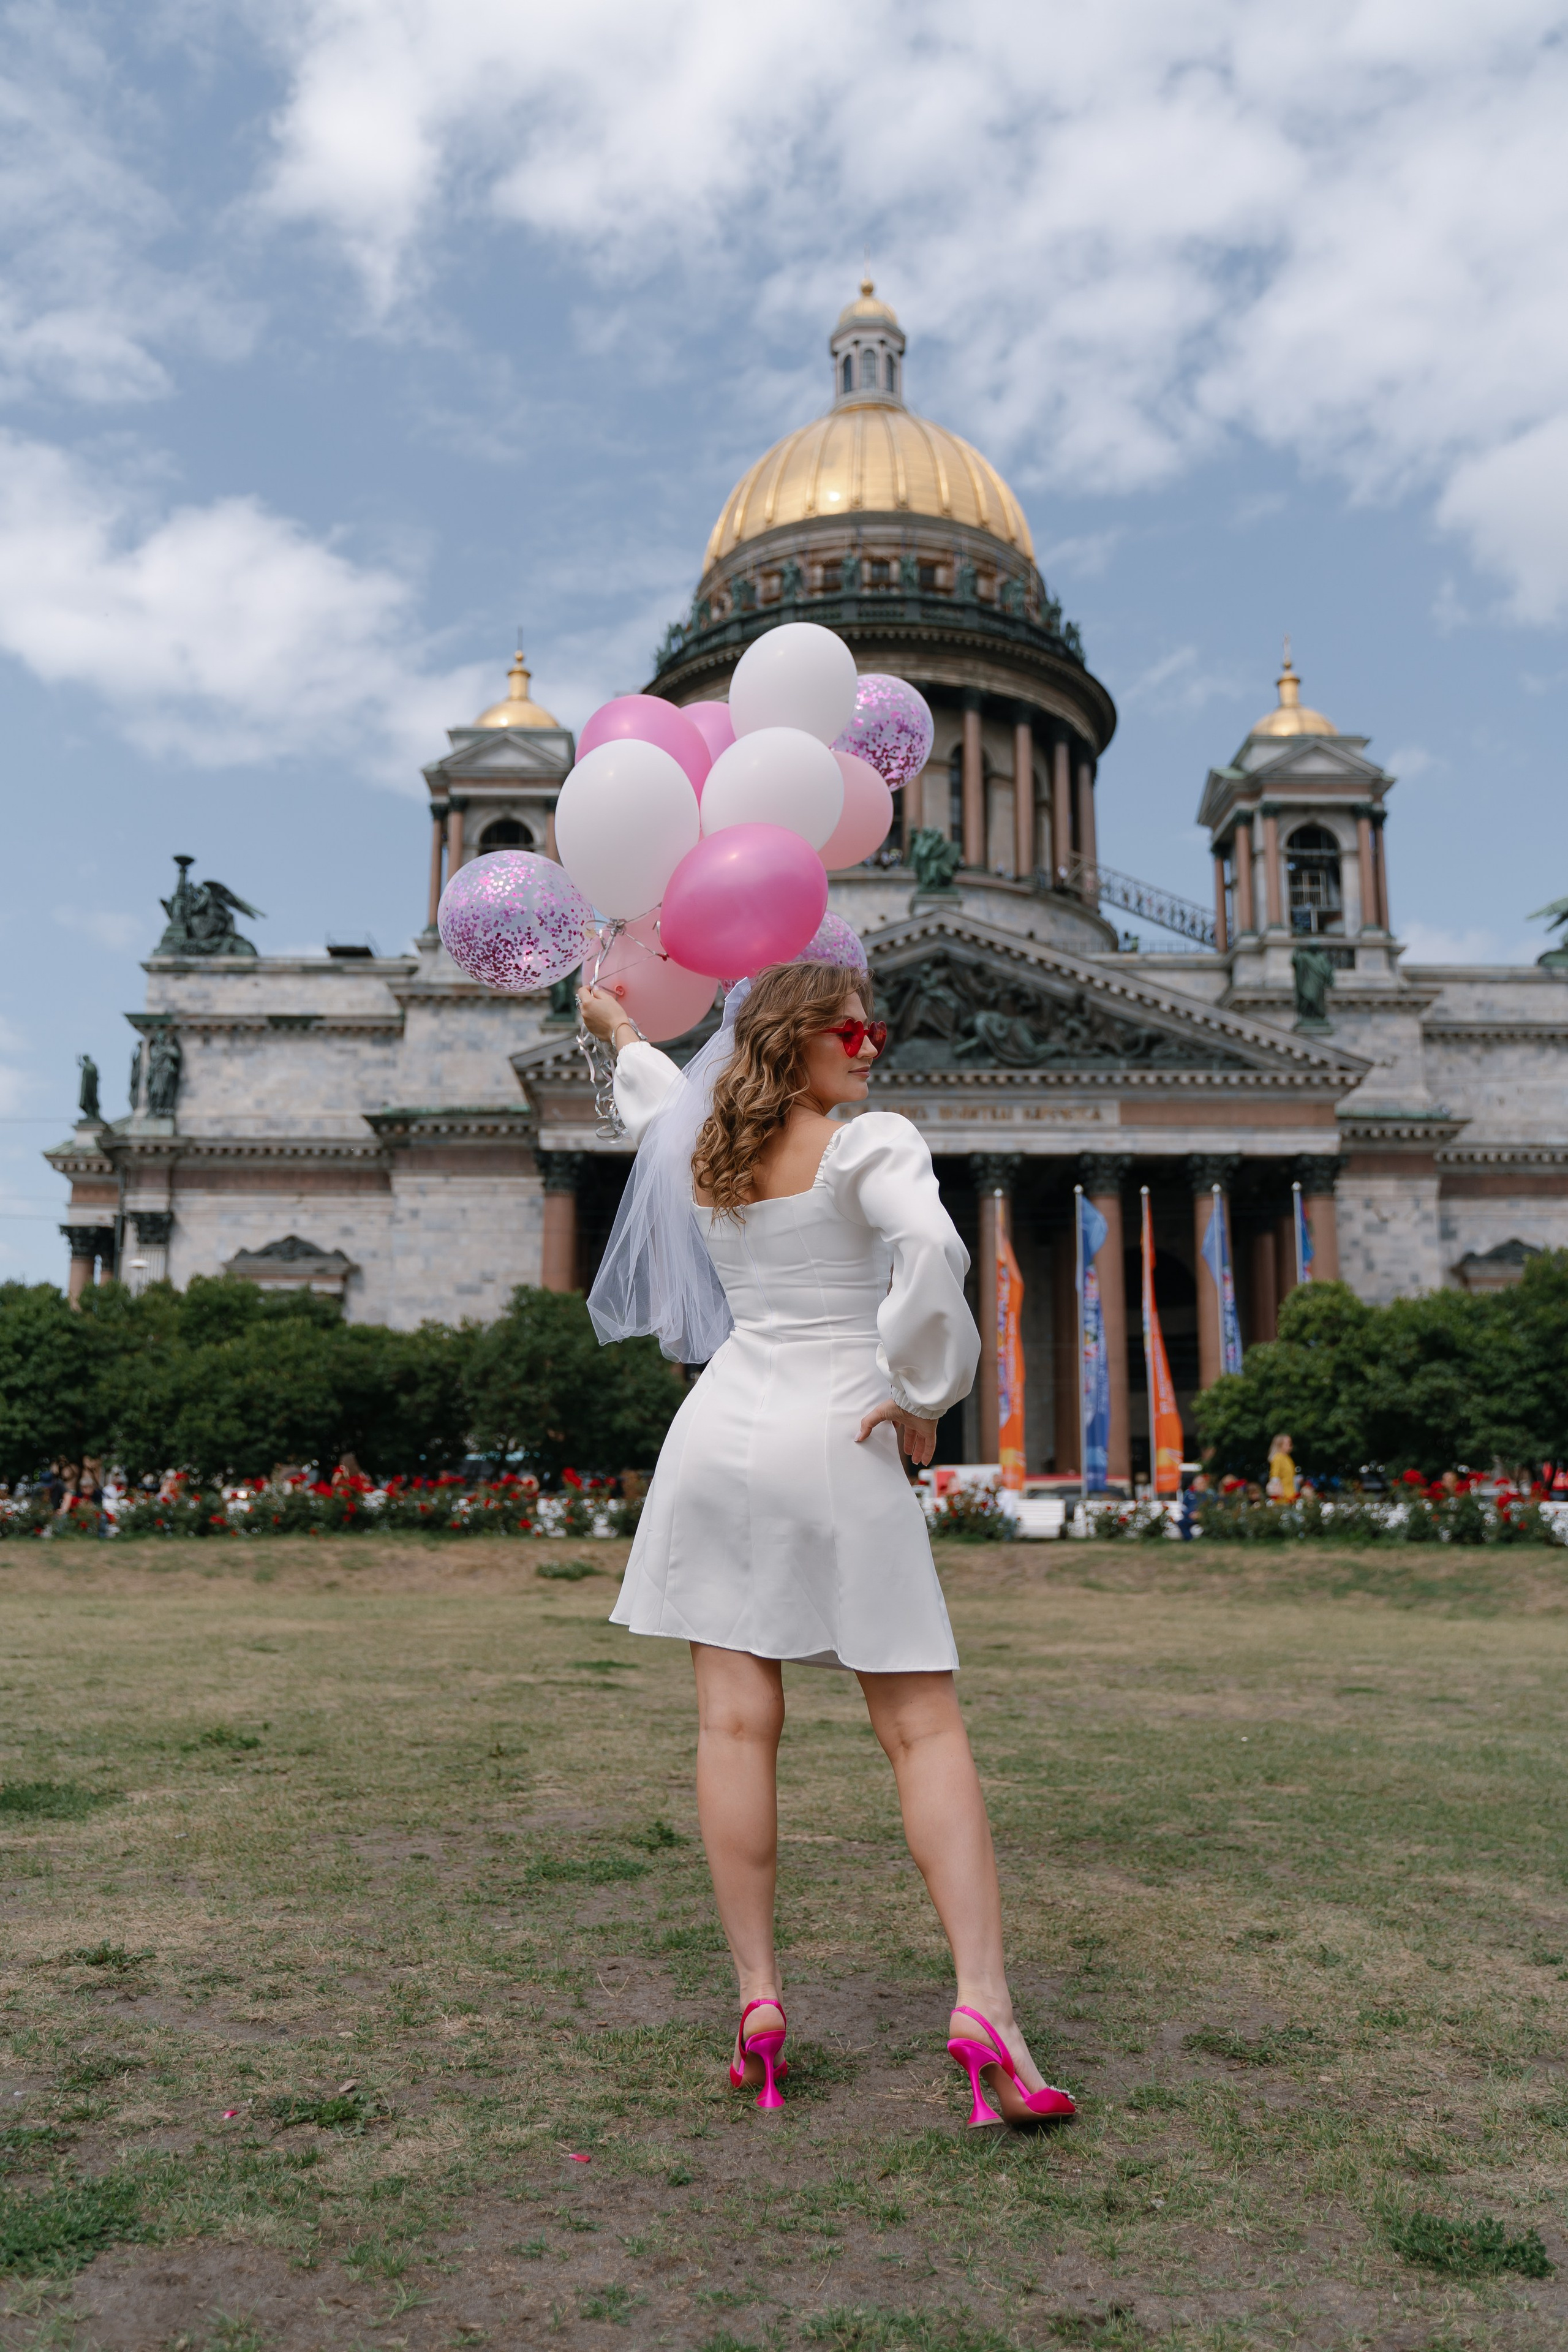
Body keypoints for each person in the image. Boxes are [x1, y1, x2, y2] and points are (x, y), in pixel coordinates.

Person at [578, 960, 1074, 2128]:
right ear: (792, 1039)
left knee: (735, 1724)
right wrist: (922, 1390)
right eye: (848, 1029)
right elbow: (935, 1255)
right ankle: (984, 2005)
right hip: (839, 1431)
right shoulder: (870, 1145)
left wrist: (607, 1021)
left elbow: (651, 1087)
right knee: (921, 1728)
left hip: (719, 1434)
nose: (871, 1045)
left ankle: (758, 2004)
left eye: (876, 1027)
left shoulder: (705, 1147)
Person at [1267, 1433, 1297, 1504]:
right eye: (1288, 1443)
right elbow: (1274, 1476)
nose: (1290, 1445)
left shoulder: (1287, 1458)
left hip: (1291, 1495)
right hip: (1282, 1497)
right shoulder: (1278, 1458)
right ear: (1280, 1445)